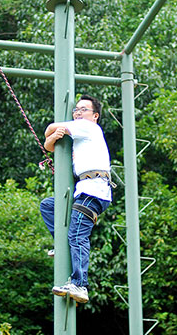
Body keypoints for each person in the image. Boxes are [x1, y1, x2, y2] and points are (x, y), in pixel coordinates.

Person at [39, 95, 114, 304]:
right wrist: (54, 137)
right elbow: (49, 145)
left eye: (83, 110)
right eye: (76, 110)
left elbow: (50, 127)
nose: (78, 113)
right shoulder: (80, 136)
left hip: (94, 189)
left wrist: (54, 132)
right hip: (84, 189)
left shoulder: (89, 128)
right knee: (48, 206)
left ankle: (80, 284)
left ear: (95, 116)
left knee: (78, 234)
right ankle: (62, 244)